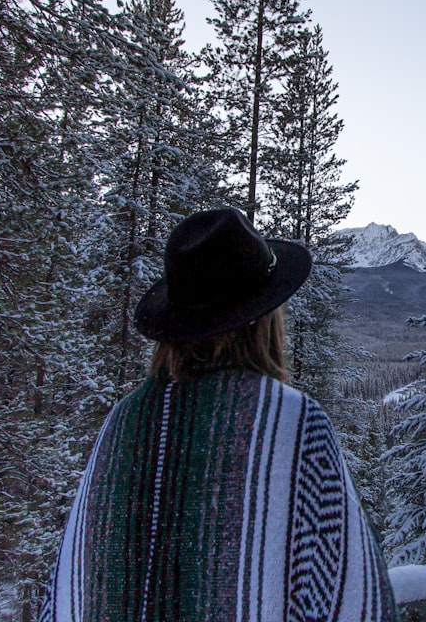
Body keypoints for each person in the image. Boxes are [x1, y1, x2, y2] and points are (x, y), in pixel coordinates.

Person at [40, 208, 397, 621]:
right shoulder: (293, 426)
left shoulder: (121, 423)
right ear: (264, 321)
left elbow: (64, 593)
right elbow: (354, 598)